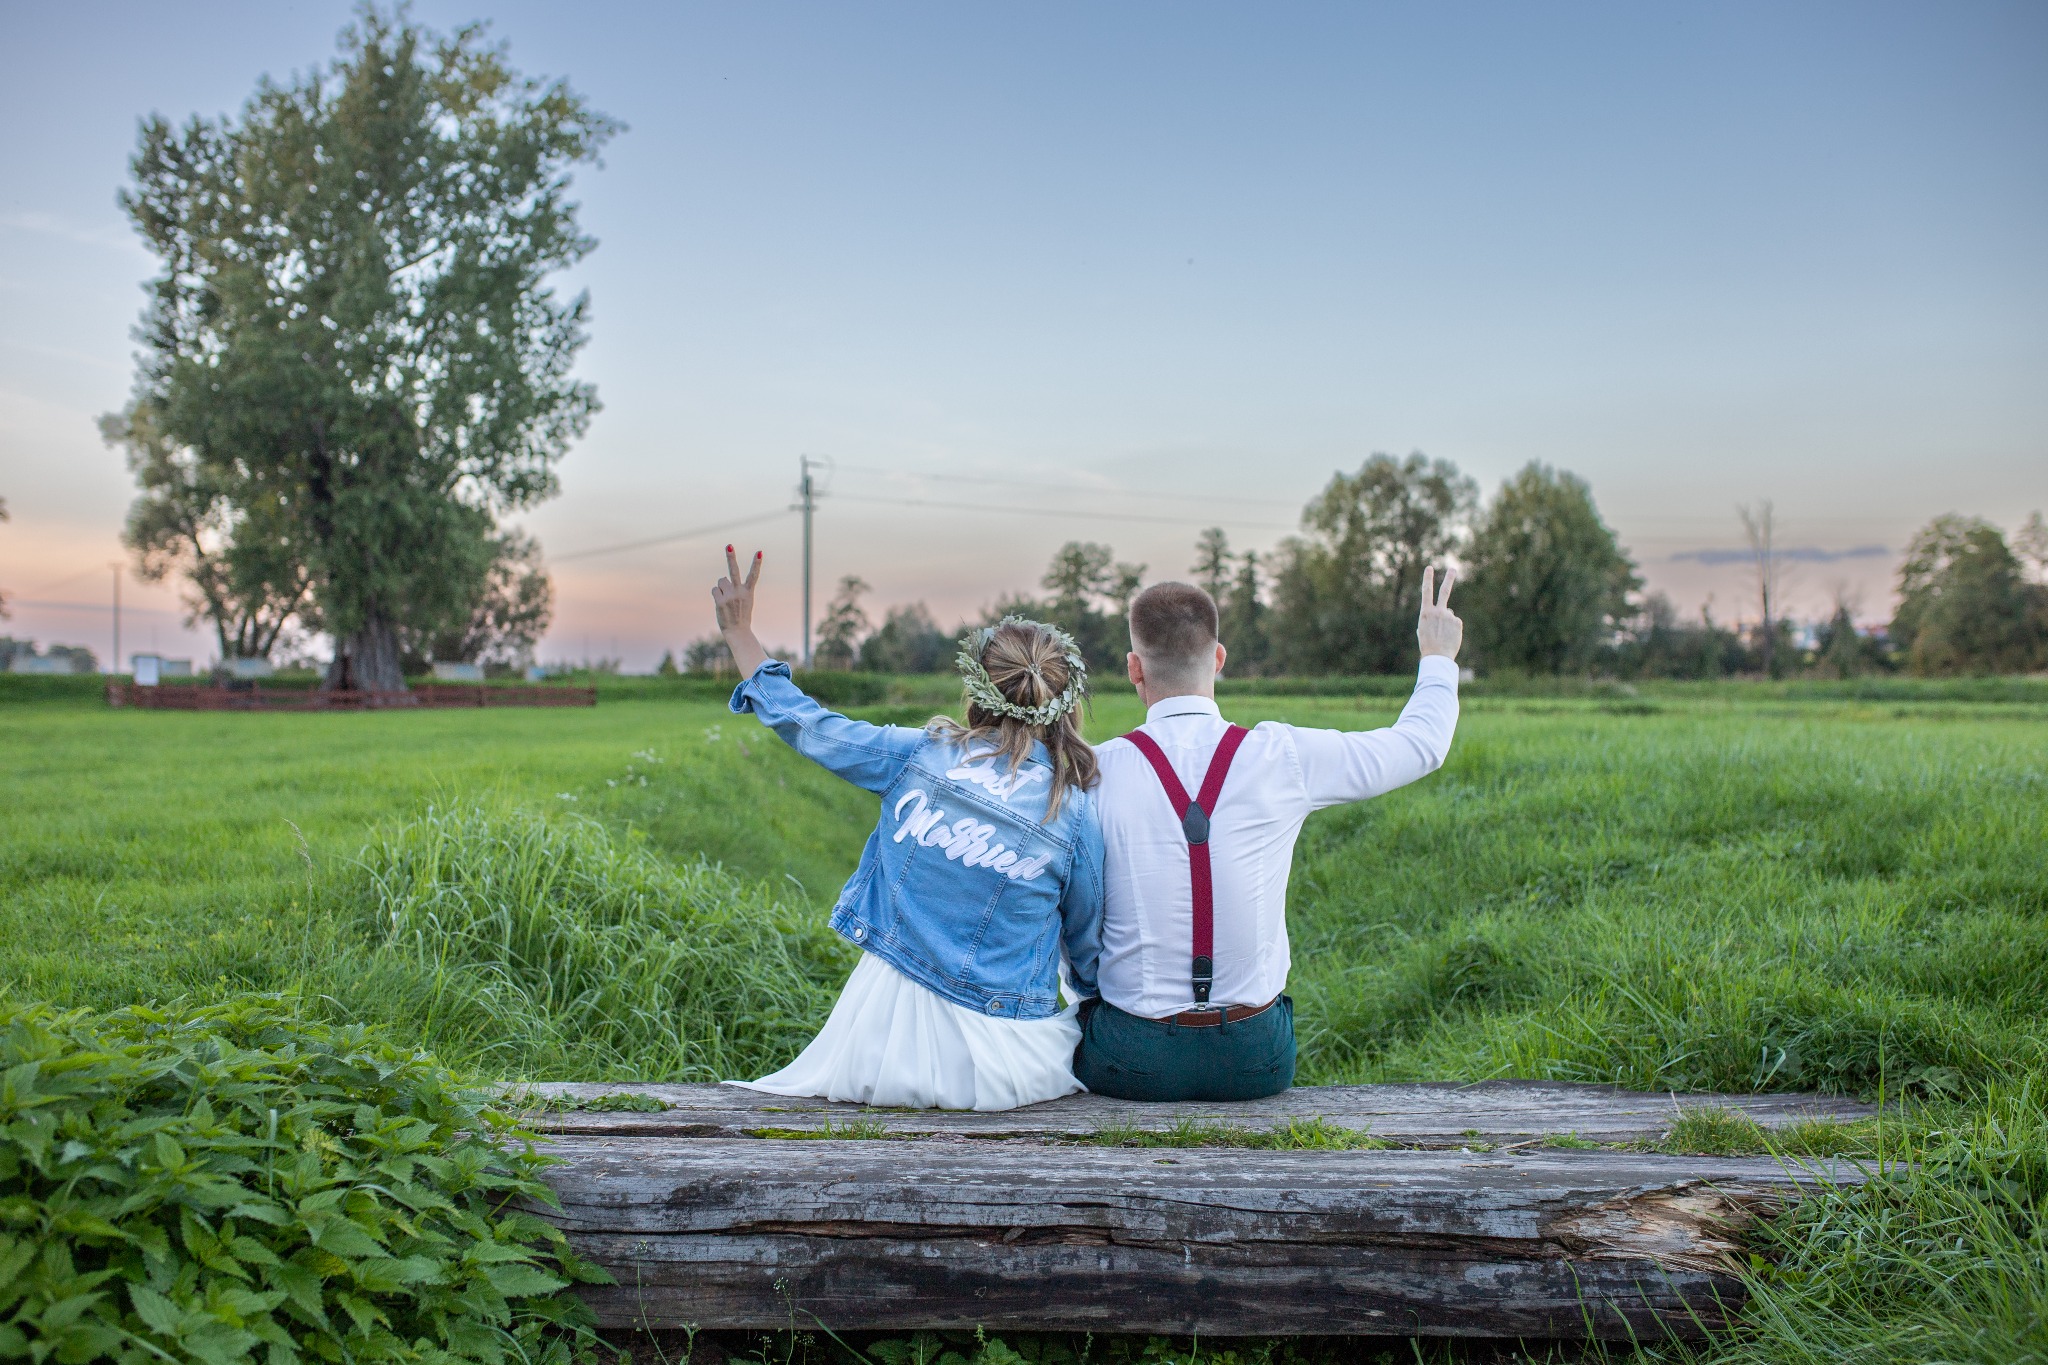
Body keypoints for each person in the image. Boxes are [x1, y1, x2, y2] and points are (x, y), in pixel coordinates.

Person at [710, 546, 1105, 1111]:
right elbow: (1088, 950)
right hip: (1011, 1069)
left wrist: (741, 635)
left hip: (877, 1052)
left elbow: (815, 729)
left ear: (978, 693)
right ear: (1063, 705)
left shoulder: (922, 756)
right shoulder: (1072, 810)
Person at [1074, 567, 1464, 1102]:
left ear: (1133, 669)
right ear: (1219, 658)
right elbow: (1421, 746)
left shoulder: (1094, 770)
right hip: (1255, 1060)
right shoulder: (1281, 757)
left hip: (1132, 1060)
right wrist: (1438, 658)